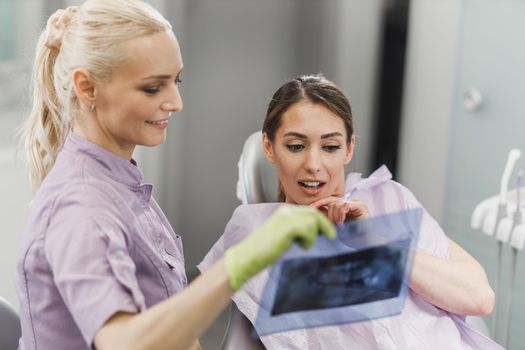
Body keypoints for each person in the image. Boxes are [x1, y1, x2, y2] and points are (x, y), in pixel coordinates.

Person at [15, 2, 336, 350]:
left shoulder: (122, 182)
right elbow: (123, 343)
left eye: (176, 80)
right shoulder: (82, 207)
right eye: (153, 88)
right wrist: (238, 264)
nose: (176, 102)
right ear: (88, 88)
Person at [199, 74, 503, 349]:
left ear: (349, 149)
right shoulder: (258, 230)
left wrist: (376, 243)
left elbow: (479, 298)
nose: (314, 164)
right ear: (269, 146)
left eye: (330, 147)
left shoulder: (389, 198)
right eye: (295, 146)